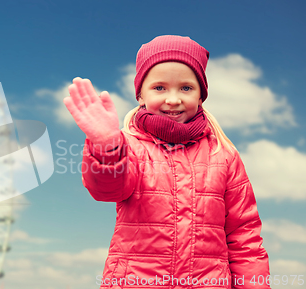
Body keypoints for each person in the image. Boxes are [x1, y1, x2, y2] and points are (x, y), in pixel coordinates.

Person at [64, 35, 271, 288]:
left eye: (186, 88)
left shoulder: (224, 155)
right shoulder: (130, 147)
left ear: (201, 96)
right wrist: (107, 146)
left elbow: (244, 237)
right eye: (159, 88)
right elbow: (107, 189)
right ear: (140, 95)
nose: (173, 99)